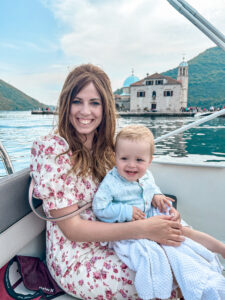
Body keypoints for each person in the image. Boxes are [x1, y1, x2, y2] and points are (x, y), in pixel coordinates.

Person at [30, 64, 184, 300]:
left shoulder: (107, 150)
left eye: (94, 103)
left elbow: (132, 190)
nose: (85, 111)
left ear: (105, 108)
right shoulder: (53, 149)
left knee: (185, 261)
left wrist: (158, 204)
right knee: (172, 278)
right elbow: (73, 230)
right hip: (78, 259)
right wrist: (145, 229)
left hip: (117, 242)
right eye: (77, 101)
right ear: (66, 104)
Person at [93, 124, 225, 299]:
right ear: (115, 157)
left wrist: (159, 197)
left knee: (183, 231)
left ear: (149, 161)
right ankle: (177, 290)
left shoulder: (146, 175)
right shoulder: (111, 183)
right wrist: (125, 211)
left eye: (139, 160)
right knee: (159, 253)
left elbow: (152, 188)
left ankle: (221, 249)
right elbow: (99, 207)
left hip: (151, 215)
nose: (131, 165)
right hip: (131, 228)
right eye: (124, 158)